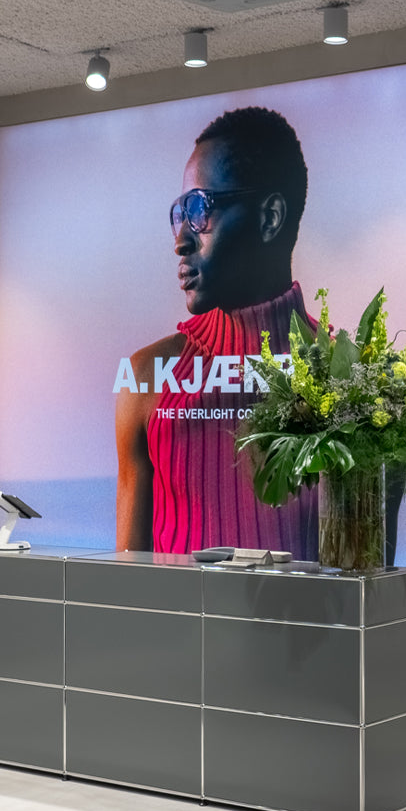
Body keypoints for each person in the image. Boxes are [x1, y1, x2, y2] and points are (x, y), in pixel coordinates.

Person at [116, 106, 320, 557]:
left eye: (200, 209)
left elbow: (367, 579)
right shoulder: (147, 379)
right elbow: (126, 584)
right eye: (180, 214)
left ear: (269, 218)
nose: (180, 240)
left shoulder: (353, 385)